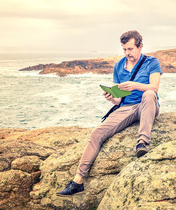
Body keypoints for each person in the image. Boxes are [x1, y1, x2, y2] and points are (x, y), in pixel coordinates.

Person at [56, 30, 162, 196]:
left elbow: (154, 88)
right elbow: (119, 100)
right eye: (124, 49)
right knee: (97, 133)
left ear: (140, 46)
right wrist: (112, 98)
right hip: (126, 107)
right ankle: (78, 181)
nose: (127, 53)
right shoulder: (119, 66)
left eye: (130, 49)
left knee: (148, 94)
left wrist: (135, 85)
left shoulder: (152, 62)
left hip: (147, 104)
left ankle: (142, 143)